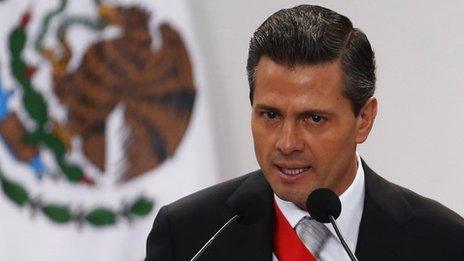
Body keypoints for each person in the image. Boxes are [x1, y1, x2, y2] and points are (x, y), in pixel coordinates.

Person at [145, 4, 464, 261]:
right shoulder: (189, 236)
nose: (286, 143)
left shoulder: (442, 242)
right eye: (270, 115)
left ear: (364, 119)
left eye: (313, 119)